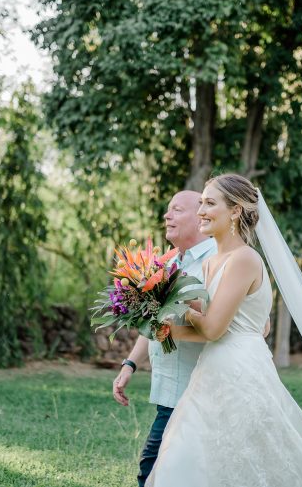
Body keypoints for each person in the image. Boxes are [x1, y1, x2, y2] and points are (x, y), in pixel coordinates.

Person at [146, 174, 302, 487]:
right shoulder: (213, 263)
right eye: (200, 203)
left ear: (235, 211)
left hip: (239, 371)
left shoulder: (245, 259)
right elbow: (228, 327)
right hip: (212, 368)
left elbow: (213, 328)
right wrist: (169, 329)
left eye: (209, 203)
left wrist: (184, 309)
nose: (201, 211)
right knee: (188, 456)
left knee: (242, 459)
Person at [112, 190, 216, 487]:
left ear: (200, 218)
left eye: (176, 210)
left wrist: (172, 329)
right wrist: (130, 364)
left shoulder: (215, 262)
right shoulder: (168, 265)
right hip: (169, 392)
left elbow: (219, 328)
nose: (166, 216)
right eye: (167, 210)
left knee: (152, 473)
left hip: (195, 394)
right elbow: (154, 324)